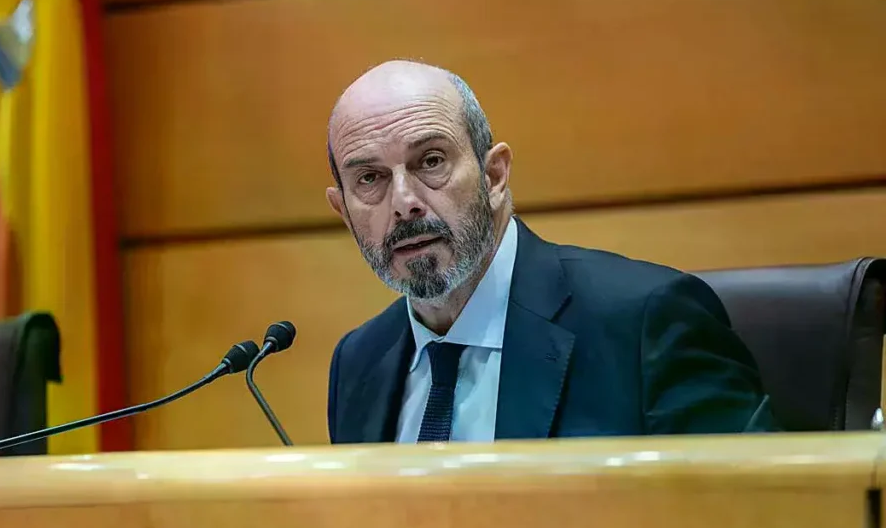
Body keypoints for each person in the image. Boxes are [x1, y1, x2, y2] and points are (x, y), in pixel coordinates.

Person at [324, 60, 777, 444]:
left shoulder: (646, 323)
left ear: (494, 176)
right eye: (369, 179)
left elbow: (762, 519)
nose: (404, 202)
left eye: (432, 161)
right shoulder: (360, 360)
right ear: (344, 211)